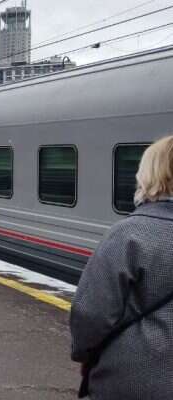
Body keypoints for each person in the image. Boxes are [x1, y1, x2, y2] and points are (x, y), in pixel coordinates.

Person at [70, 135, 173, 400]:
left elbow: (91, 314)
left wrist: (84, 354)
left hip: (135, 381)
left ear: (149, 174)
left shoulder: (129, 235)